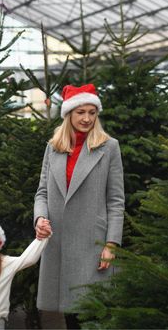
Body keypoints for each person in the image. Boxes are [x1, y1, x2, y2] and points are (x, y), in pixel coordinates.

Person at [34, 83, 125, 329]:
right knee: (70, 316)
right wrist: (39, 219)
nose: (86, 118)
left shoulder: (109, 147)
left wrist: (111, 244)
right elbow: (42, 192)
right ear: (69, 114)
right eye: (80, 112)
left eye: (92, 112)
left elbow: (116, 201)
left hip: (92, 246)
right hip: (58, 243)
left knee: (90, 315)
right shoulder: (53, 148)